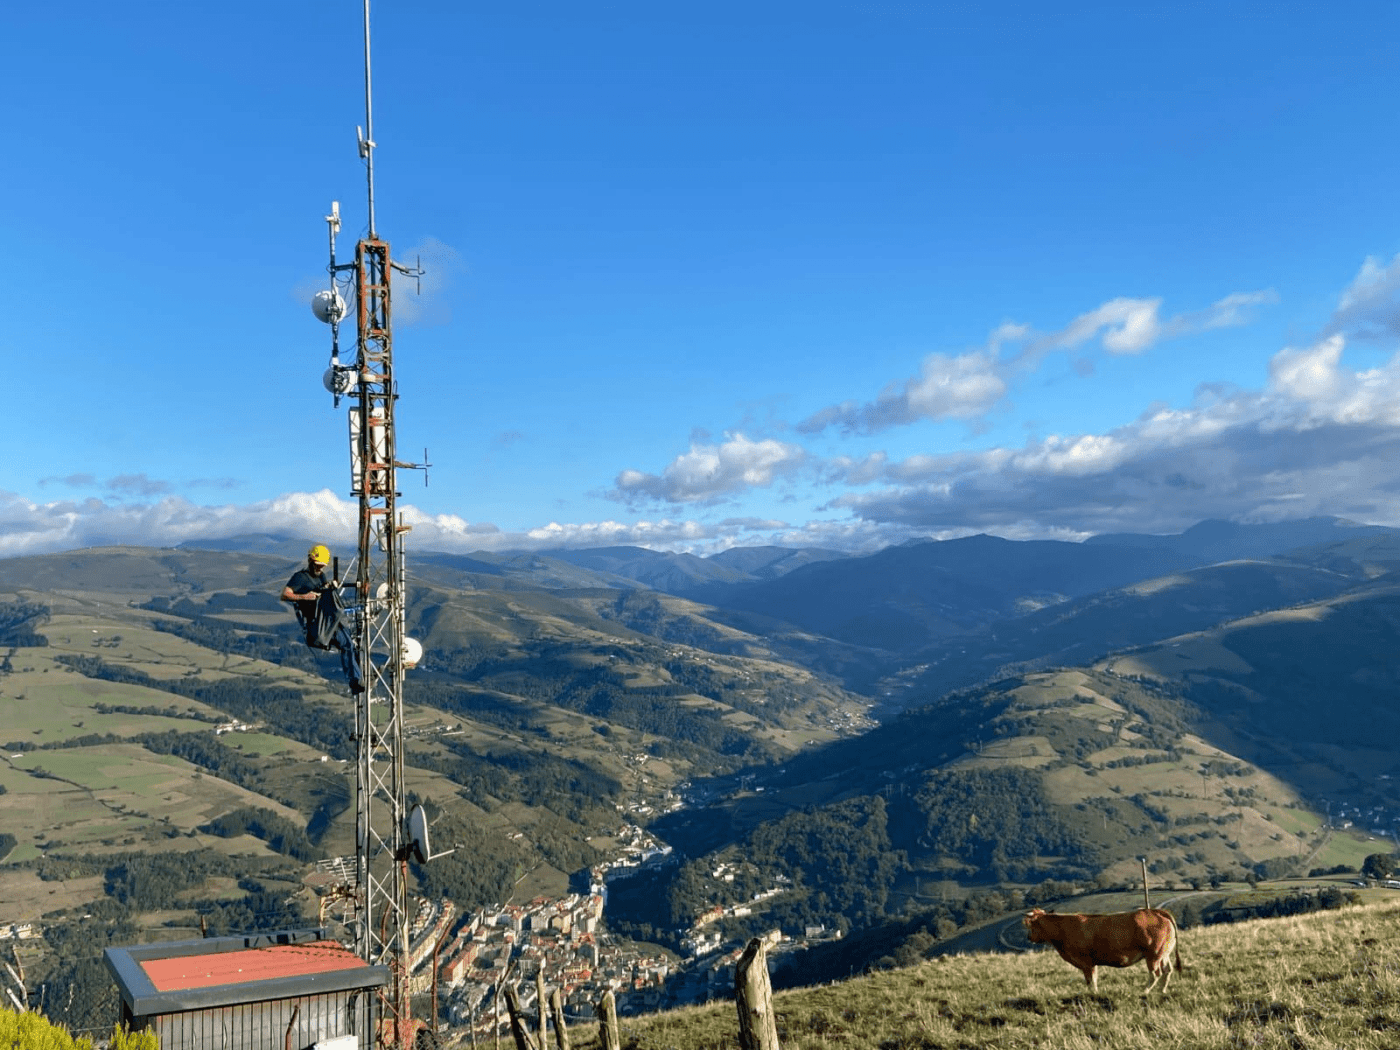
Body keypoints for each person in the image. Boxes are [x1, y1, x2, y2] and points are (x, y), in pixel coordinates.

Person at [282, 544, 363, 694]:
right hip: (316, 624)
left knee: (349, 645)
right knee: (347, 645)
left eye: (322, 567)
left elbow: (322, 590)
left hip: (327, 620)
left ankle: (357, 680)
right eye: (318, 566)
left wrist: (328, 586)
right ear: (311, 561)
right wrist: (304, 596)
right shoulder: (300, 577)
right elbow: (285, 594)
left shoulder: (320, 576)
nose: (320, 569)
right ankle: (355, 681)